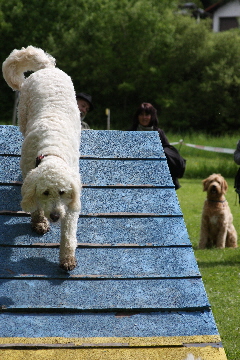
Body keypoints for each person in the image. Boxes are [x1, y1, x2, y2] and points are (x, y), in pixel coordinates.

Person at [129, 102, 186, 189]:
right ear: (137, 116)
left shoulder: (159, 132)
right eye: (141, 114)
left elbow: (168, 151)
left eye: (147, 114)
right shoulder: (130, 133)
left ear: (152, 116)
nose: (144, 117)